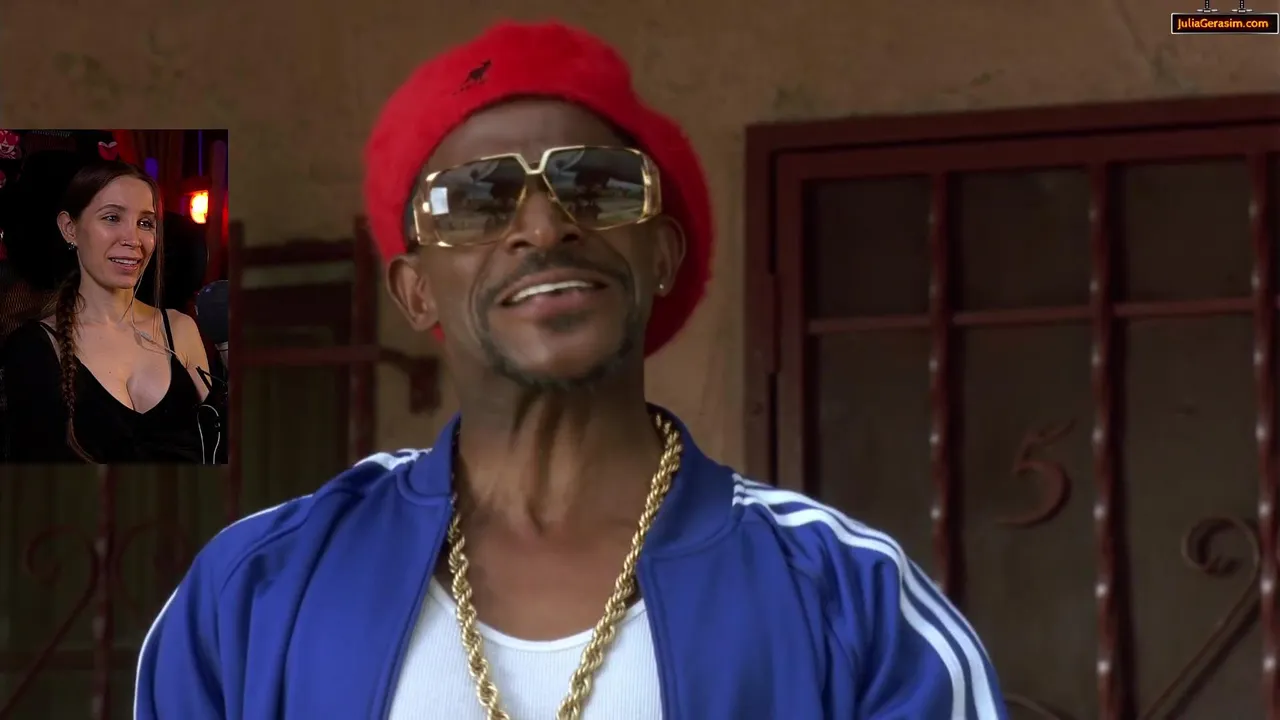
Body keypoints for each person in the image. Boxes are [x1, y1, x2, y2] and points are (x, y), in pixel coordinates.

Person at [134, 21, 1007, 720]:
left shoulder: (850, 596)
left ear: (662, 255)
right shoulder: (255, 588)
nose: (545, 226)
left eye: (597, 185)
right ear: (415, 291)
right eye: (475, 199)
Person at [0, 160, 213, 463]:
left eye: (145, 223)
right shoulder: (33, 348)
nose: (133, 239)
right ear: (69, 228)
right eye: (112, 218)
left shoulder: (180, 329)